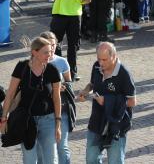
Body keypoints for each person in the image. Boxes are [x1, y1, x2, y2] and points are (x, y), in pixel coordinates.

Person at [0, 37, 62, 163]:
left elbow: (57, 97)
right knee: (29, 159)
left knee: (50, 159)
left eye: (50, 51)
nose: (49, 55)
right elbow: (10, 93)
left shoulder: (52, 70)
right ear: (34, 52)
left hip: (48, 120)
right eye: (46, 52)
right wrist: (4, 118)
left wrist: (58, 123)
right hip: (26, 120)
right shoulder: (22, 67)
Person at [78, 42, 137, 164]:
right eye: (99, 59)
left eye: (104, 59)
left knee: (115, 161)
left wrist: (107, 101)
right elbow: (93, 84)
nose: (101, 63)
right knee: (91, 159)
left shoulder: (124, 74)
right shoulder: (96, 66)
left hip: (116, 125)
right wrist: (85, 90)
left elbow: (132, 101)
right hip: (97, 120)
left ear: (114, 56)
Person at [49, 0, 92, 82]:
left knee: (55, 43)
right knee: (73, 45)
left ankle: (56, 72)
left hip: (59, 13)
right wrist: (78, 1)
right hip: (75, 15)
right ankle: (72, 74)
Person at [39, 31, 75, 164]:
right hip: (43, 111)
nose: (52, 48)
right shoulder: (36, 61)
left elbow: (69, 83)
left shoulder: (62, 61)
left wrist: (63, 86)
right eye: (49, 45)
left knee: (62, 146)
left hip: (62, 109)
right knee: (43, 147)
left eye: (54, 45)